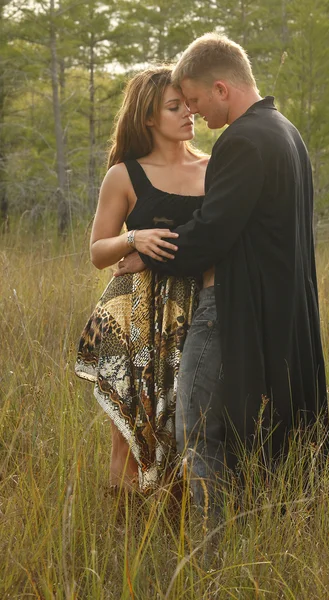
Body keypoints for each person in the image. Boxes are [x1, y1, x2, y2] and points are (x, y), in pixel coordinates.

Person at [133, 34, 329, 506]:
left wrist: (149, 251)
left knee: (198, 428)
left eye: (197, 100)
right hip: (279, 303)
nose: (195, 113)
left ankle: (210, 555)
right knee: (256, 428)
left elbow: (213, 231)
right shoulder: (285, 131)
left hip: (235, 304)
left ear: (222, 89)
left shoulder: (241, 141)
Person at [75, 66, 208, 493]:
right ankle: (124, 533)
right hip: (132, 314)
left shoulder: (216, 168)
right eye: (175, 107)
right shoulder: (124, 175)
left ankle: (176, 516)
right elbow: (98, 252)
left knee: (189, 421)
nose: (188, 113)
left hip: (197, 308)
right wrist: (134, 237)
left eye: (189, 104)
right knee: (131, 430)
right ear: (148, 118)